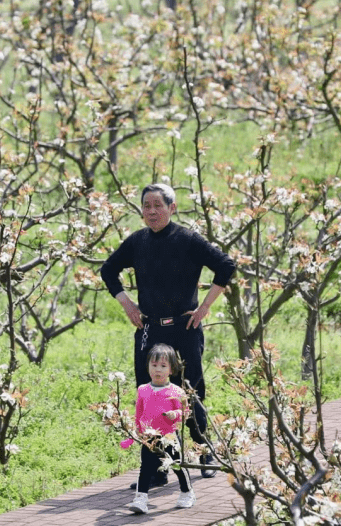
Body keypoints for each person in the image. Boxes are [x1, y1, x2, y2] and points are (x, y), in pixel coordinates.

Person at [101, 183, 236, 483]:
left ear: (172, 207)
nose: (151, 211)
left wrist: (204, 308)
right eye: (146, 206)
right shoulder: (137, 242)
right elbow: (108, 270)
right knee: (150, 398)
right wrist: (127, 304)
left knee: (191, 393)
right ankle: (157, 470)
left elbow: (225, 265)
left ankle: (202, 453)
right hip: (149, 331)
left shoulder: (188, 239)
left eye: (158, 205)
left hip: (185, 329)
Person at [127, 344, 194, 514]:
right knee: (146, 468)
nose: (158, 370)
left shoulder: (176, 391)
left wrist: (176, 414)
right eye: (154, 365)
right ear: (148, 366)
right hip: (149, 438)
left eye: (163, 366)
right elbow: (139, 413)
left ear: (171, 369)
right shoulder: (143, 390)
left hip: (169, 436)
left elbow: (186, 412)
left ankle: (187, 492)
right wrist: (136, 431)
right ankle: (141, 498)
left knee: (177, 466)